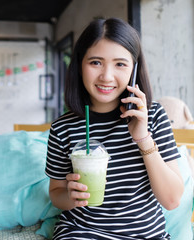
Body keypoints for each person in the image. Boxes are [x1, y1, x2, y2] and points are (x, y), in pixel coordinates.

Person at [45, 18, 184, 239]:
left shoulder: (154, 115)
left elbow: (172, 200)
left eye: (120, 64)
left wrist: (143, 138)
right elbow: (56, 194)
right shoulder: (63, 128)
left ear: (134, 69)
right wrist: (71, 197)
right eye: (95, 62)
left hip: (145, 235)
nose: (106, 77)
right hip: (83, 232)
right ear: (80, 65)